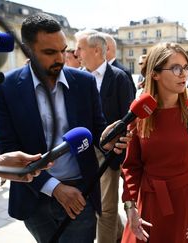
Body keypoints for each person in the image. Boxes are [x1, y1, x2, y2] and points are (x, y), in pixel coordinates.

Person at [0, 13, 126, 243]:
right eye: (49, 52)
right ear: (28, 50)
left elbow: (97, 131)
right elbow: (8, 148)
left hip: (81, 196)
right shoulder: (7, 88)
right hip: (34, 198)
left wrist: (108, 140)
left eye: (63, 50)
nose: (60, 59)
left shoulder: (83, 83)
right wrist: (53, 187)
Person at [121, 42, 188, 243]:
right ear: (154, 73)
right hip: (150, 205)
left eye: (186, 68)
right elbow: (131, 166)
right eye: (175, 68)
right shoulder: (139, 112)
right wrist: (131, 207)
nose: (183, 74)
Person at [75, 30, 135, 243]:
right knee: (94, 205)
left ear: (97, 50)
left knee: (106, 209)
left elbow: (128, 119)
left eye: (80, 48)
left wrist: (117, 152)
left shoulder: (118, 77)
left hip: (108, 154)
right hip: (83, 153)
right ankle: (118, 236)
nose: (75, 53)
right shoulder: (77, 78)